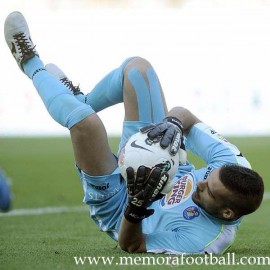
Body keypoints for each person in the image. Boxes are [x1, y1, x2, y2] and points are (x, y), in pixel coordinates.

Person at [4, 11, 264, 254]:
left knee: (87, 124)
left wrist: (137, 204)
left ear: (227, 212)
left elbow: (131, 245)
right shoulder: (234, 164)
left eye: (208, 190)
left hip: (121, 208)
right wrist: (173, 122)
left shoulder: (204, 240)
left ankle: (29, 61)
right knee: (138, 69)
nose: (202, 181)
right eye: (209, 177)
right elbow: (186, 116)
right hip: (158, 159)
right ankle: (77, 101)